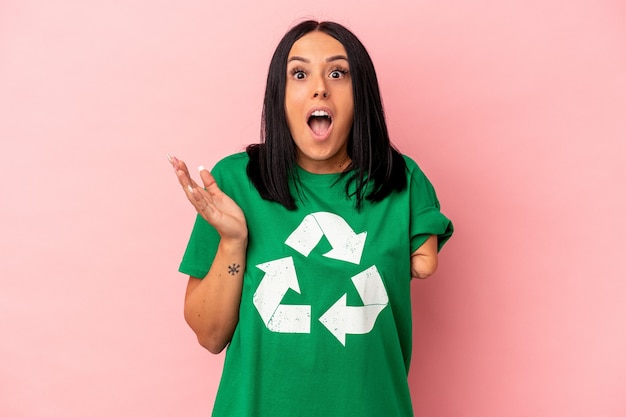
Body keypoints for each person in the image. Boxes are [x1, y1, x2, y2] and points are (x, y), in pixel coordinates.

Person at [170, 20, 453, 417]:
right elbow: (210, 335)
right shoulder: (235, 183)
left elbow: (423, 260)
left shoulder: (401, 183)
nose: (320, 87)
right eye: (299, 74)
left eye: (338, 73)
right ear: (280, 95)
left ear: (361, 95)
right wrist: (234, 241)